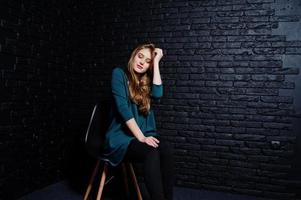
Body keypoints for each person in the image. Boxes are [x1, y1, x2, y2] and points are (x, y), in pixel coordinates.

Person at [103, 43, 174, 200]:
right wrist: (142, 138)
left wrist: (156, 62)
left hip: (140, 134)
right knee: (151, 151)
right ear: (133, 56)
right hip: (120, 138)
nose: (142, 62)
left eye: (147, 60)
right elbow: (123, 109)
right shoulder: (119, 74)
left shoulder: (146, 82)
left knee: (167, 149)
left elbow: (158, 94)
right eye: (140, 56)